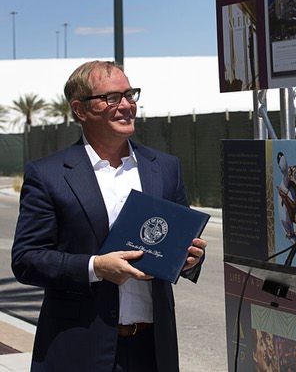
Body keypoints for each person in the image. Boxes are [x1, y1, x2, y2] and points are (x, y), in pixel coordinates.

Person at [11, 61, 208, 372]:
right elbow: (26, 260)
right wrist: (95, 268)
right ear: (80, 109)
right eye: (112, 98)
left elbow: (180, 243)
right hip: (79, 349)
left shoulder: (166, 167)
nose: (127, 105)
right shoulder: (48, 175)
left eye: (130, 95)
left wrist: (191, 259)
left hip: (152, 350)